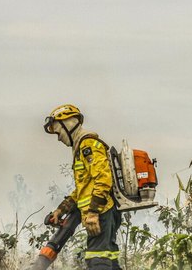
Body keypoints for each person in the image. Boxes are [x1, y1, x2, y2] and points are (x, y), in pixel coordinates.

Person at [43, 104, 122, 270]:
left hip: (101, 212)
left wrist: (93, 212)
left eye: (58, 132)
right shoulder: (80, 148)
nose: (58, 138)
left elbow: (103, 179)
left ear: (68, 123)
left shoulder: (88, 145)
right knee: (110, 262)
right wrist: (61, 210)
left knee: (97, 261)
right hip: (100, 212)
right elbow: (83, 190)